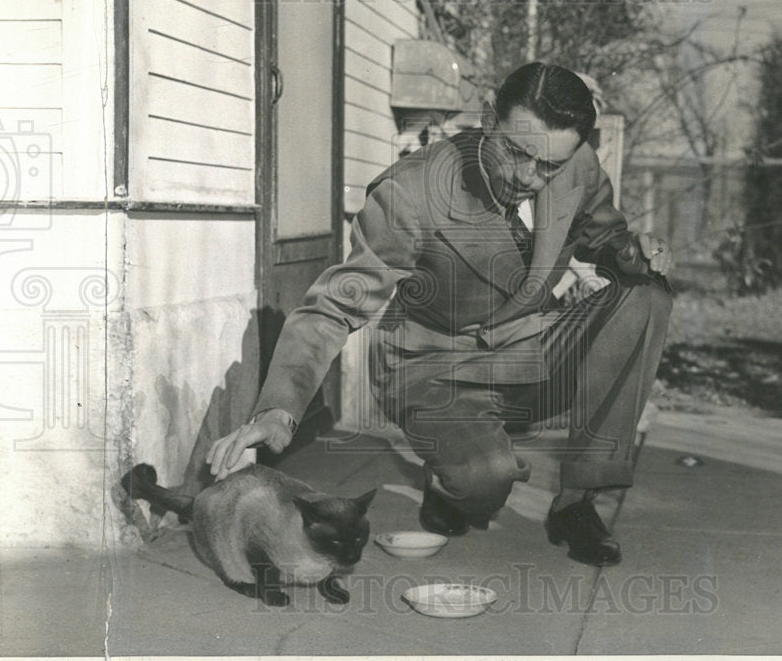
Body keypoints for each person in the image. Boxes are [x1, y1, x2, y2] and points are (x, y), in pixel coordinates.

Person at [207, 62, 673, 567]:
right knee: (483, 483)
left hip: (528, 352)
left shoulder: (575, 165)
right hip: (434, 370)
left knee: (646, 296)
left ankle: (577, 503)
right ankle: (449, 481)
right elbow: (335, 305)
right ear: (489, 118)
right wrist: (278, 409)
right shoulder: (410, 193)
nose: (528, 178)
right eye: (516, 152)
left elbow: (603, 237)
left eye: (548, 168)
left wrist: (633, 254)